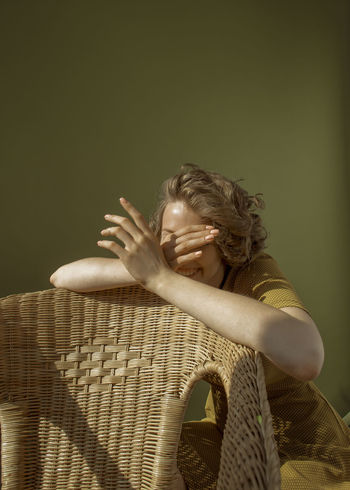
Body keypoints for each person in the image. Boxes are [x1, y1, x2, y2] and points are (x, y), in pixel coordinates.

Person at [50, 163, 350, 489]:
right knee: (140, 456)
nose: (185, 254)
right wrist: (151, 269)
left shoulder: (253, 271)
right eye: (173, 241)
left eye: (198, 240)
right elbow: (63, 277)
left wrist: (161, 277)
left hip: (303, 449)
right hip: (228, 435)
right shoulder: (164, 276)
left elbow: (307, 356)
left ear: (227, 245)